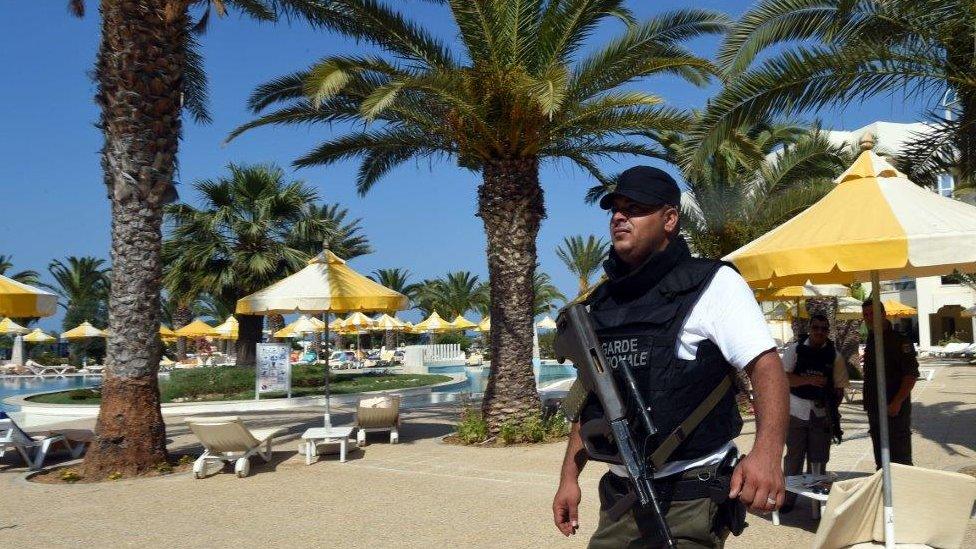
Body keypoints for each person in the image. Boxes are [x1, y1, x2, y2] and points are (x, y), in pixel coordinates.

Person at [552, 166, 789, 548]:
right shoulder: (602, 301)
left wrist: (767, 453)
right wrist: (569, 476)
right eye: (615, 208)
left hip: (691, 495)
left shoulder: (713, 283)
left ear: (670, 219)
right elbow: (596, 397)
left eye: (635, 207)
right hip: (619, 497)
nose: (619, 216)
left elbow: (765, 365)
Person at [779, 314, 849, 512]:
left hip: (821, 413)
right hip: (796, 410)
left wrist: (832, 411)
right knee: (794, 456)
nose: (820, 332)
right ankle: (788, 498)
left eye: (824, 329)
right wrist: (808, 381)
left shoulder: (835, 356)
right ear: (810, 328)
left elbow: (840, 388)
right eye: (816, 327)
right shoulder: (795, 350)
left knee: (818, 459)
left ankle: (815, 502)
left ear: (828, 331)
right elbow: (784, 378)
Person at [861, 298, 918, 468]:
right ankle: (885, 491)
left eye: (872, 313)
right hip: (875, 408)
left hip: (894, 409)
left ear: (883, 314)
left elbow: (911, 375)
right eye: (866, 315)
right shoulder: (872, 339)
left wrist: (897, 402)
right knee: (881, 458)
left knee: (900, 459)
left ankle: (904, 493)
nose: (869, 317)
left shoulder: (900, 341)